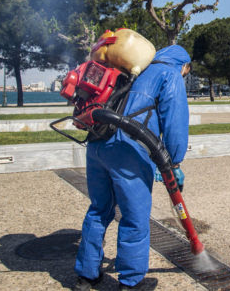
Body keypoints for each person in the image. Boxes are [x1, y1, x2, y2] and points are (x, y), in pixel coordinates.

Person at [73, 45, 192, 291]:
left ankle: (86, 275)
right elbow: (175, 122)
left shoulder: (132, 69)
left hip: (97, 143)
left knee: (99, 209)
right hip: (128, 149)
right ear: (184, 66)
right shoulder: (170, 74)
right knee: (134, 216)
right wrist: (175, 161)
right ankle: (131, 281)